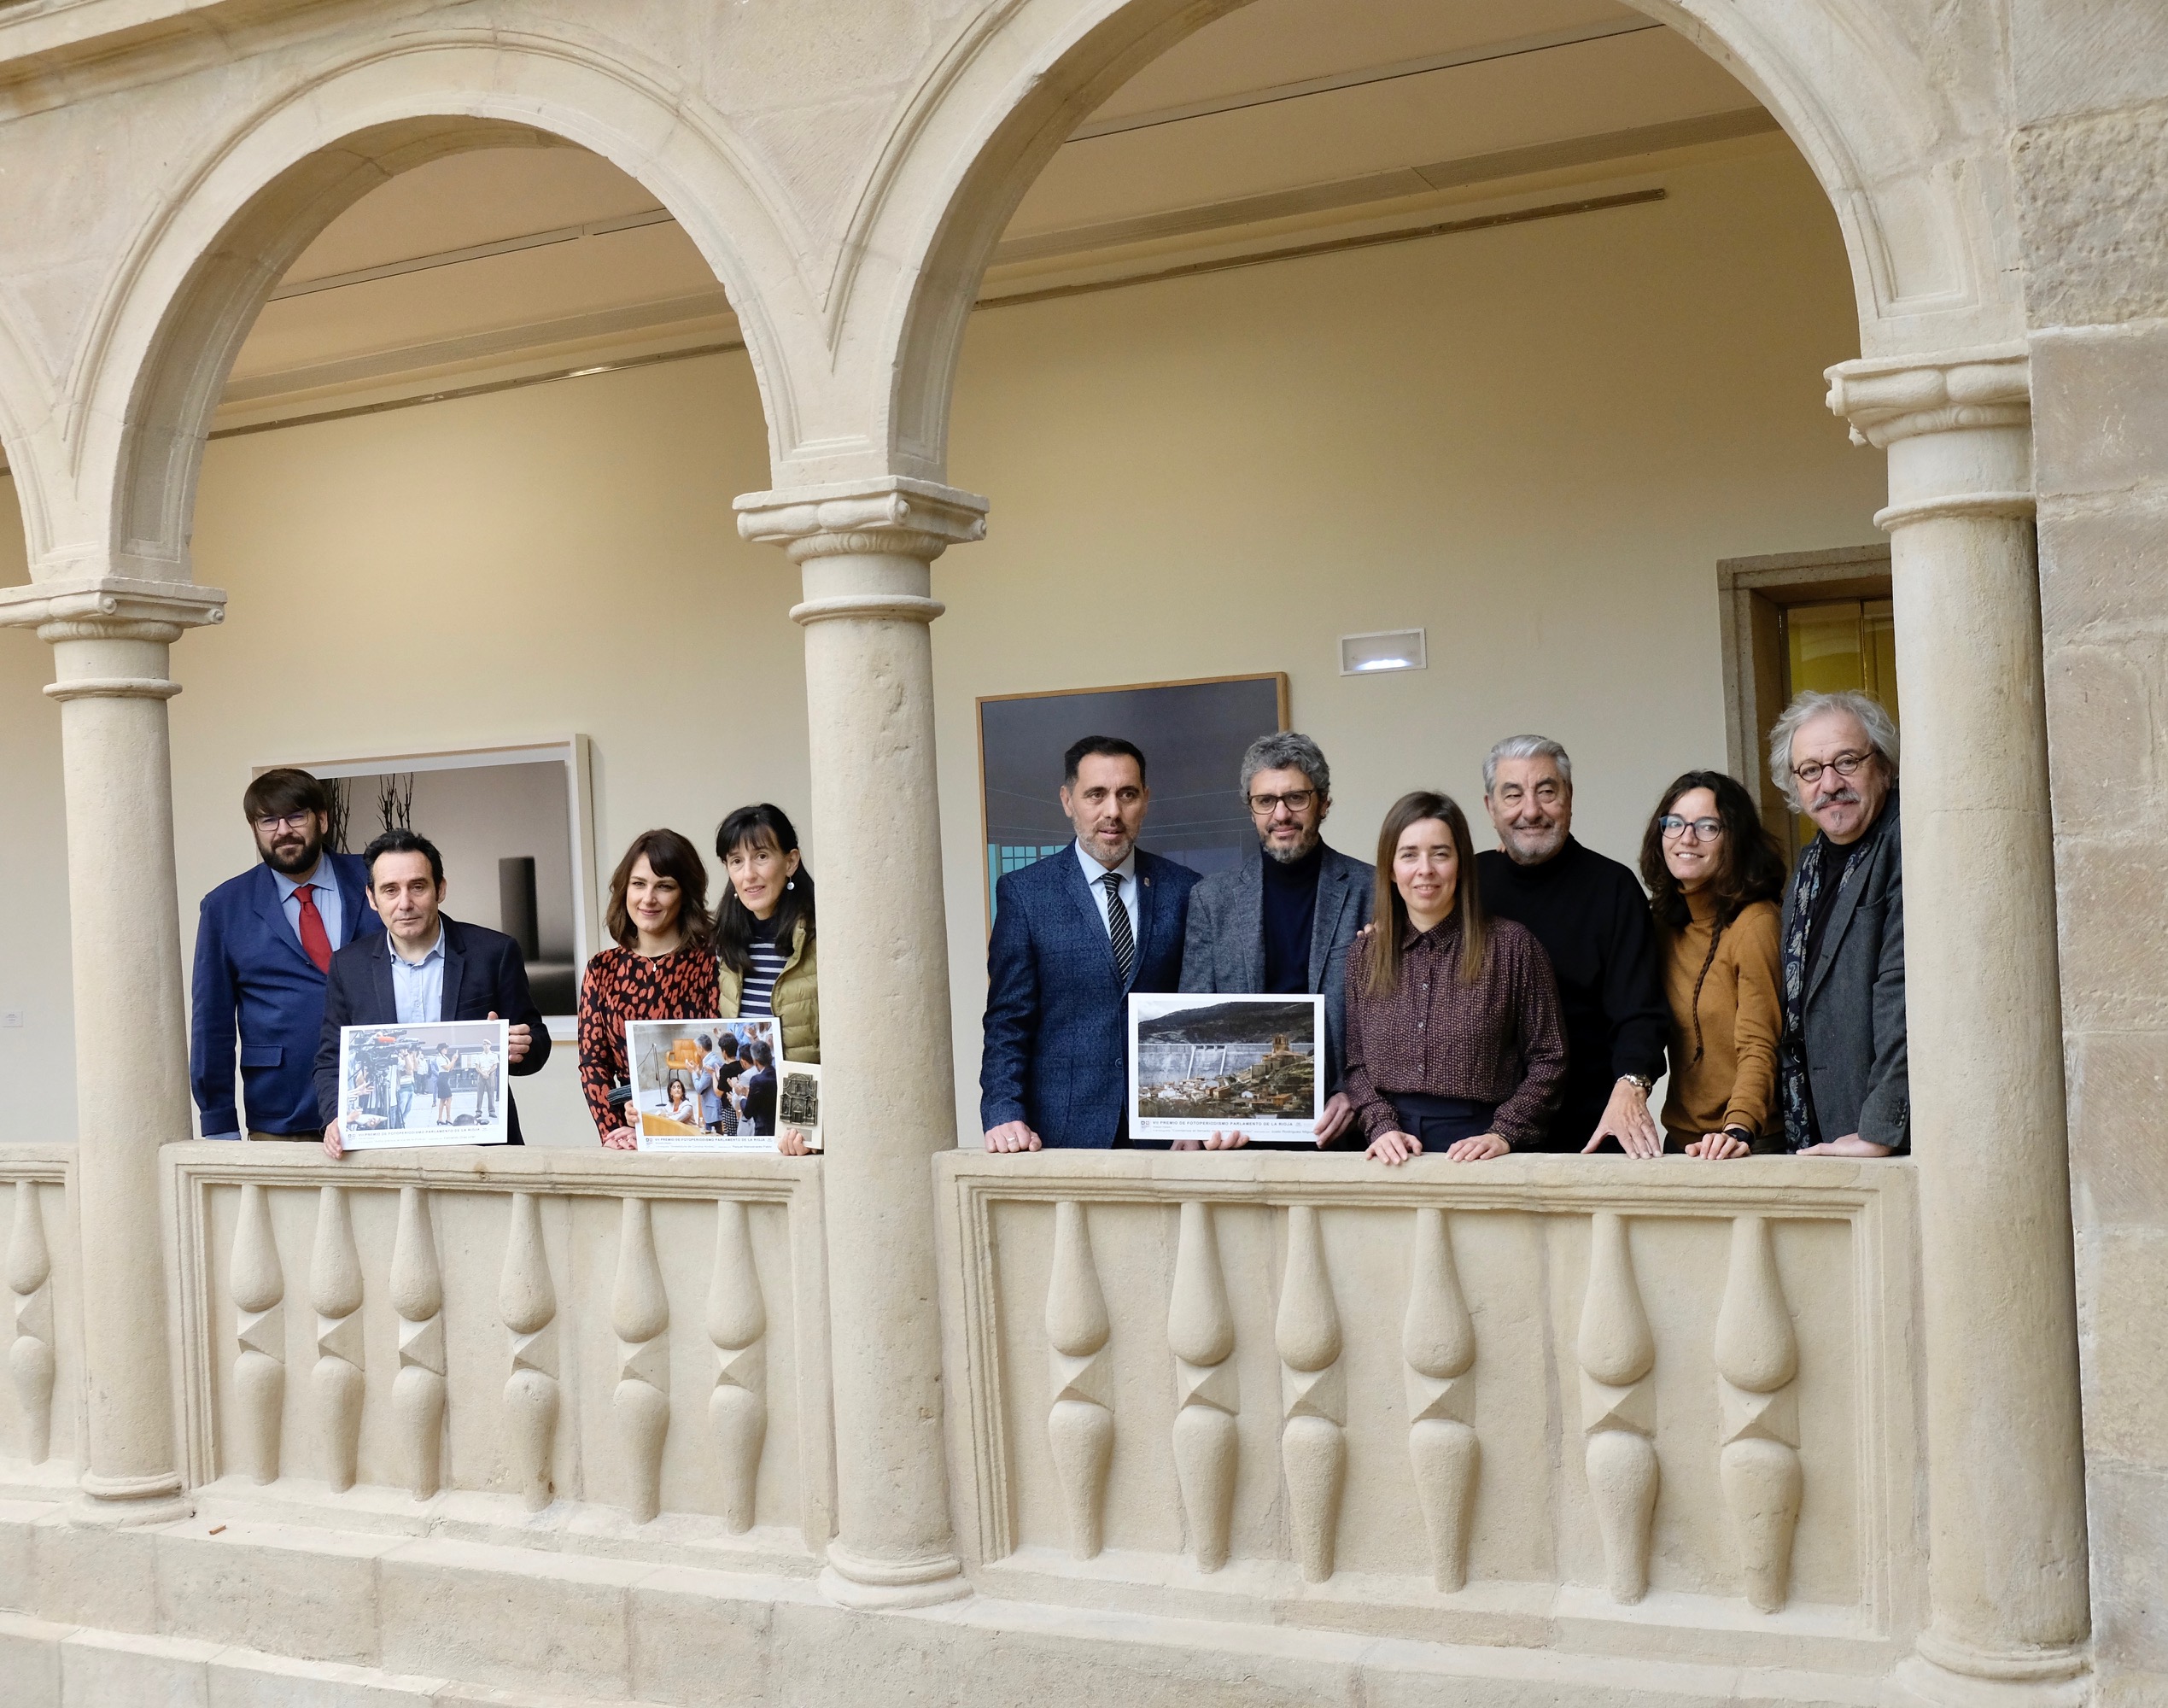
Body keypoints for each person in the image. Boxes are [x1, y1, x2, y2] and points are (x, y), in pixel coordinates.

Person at [982, 735, 1202, 1150]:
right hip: (1060, 1132)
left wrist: (1197, 1119)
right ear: (1068, 801)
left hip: (1168, 1132)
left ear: (1146, 800)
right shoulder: (1025, 893)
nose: (1113, 811)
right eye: (1096, 795)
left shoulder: (1188, 891)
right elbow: (1007, 1022)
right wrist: (1003, 1110)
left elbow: (1200, 1008)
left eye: (1127, 794)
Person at [1343, 792, 1566, 1165]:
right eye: (1409, 854)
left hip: (1482, 1151)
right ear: (1390, 868)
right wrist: (1380, 1126)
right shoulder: (1365, 954)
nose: (1425, 869)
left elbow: (1551, 1058)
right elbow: (1356, 1064)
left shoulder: (1514, 947)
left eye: (1441, 853)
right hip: (1388, 1152)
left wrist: (1505, 1132)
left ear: (1461, 864)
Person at [1475, 735, 1669, 1155]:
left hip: (1588, 1133)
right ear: (1490, 808)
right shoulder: (1466, 884)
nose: (1531, 811)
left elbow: (1640, 1014)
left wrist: (1632, 1085)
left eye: (1547, 792)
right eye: (1513, 795)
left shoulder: (1613, 889)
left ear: (1569, 798)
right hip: (1478, 1135)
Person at [1179, 732, 1374, 1149]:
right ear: (1251, 809)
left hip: (1344, 1126)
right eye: (1265, 801)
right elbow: (1193, 1003)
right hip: (1239, 1129)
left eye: (1296, 798)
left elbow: (1395, 1018)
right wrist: (1193, 1125)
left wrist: (1359, 1095)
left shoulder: (1373, 891)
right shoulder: (1211, 898)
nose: (1280, 813)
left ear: (1323, 803)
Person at [316, 830, 550, 1155]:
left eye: (417, 886)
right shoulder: (348, 966)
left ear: (440, 888)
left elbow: (537, 1041)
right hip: (384, 1150)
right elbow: (330, 1060)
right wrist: (335, 1116)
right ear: (372, 898)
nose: (405, 903)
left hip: (482, 1151)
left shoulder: (494, 952)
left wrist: (521, 1047)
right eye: (390, 890)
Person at [190, 769, 381, 1139]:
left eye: (296, 816)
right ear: (254, 829)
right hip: (283, 1112)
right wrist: (218, 1123)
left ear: (321, 820)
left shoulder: (375, 880)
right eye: (268, 820)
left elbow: (431, 957)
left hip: (382, 1103)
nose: (283, 830)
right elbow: (210, 1023)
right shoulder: (224, 908)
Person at [1770, 690, 1908, 1155]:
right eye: (1810, 770)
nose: (1829, 784)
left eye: (1847, 761)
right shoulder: (1808, 867)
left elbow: (1904, 992)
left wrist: (1880, 1131)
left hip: (1886, 1140)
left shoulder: (1904, 843)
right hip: (1819, 1131)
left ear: (1884, 767)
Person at [1638, 771, 1787, 1158]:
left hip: (1746, 1144)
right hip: (1680, 1143)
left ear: (1734, 839)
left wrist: (1740, 1127)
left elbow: (1760, 1041)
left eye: (1707, 826)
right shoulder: (1662, 926)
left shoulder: (1755, 922)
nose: (1687, 838)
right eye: (1675, 824)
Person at [576, 829, 718, 1151]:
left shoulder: (712, 962)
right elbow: (593, 1064)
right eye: (638, 884)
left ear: (685, 894)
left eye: (664, 886)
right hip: (630, 1139)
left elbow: (720, 1052)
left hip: (701, 1133)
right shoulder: (602, 969)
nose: (648, 898)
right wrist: (613, 1129)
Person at [712, 804, 819, 1155]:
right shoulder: (726, 942)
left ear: (791, 862)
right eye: (736, 861)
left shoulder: (822, 935)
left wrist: (804, 1128)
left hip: (807, 1132)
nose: (748, 875)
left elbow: (835, 1046)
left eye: (761, 856)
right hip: (748, 1129)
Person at [741, 1038, 779, 1138]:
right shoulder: (778, 1075)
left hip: (764, 1131)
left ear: (755, 1061)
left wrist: (743, 1096)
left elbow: (748, 1112)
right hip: (778, 1128)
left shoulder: (757, 1081)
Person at [473, 1041, 501, 1122]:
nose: (486, 1046)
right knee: (480, 1094)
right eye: (484, 1044)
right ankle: (478, 1112)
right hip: (481, 1075)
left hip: (490, 1075)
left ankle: (491, 1112)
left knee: (491, 1094)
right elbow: (477, 1067)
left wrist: (488, 1073)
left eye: (487, 1044)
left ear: (490, 1046)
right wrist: (482, 1073)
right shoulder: (479, 1056)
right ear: (482, 1046)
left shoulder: (494, 1055)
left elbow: (495, 1066)